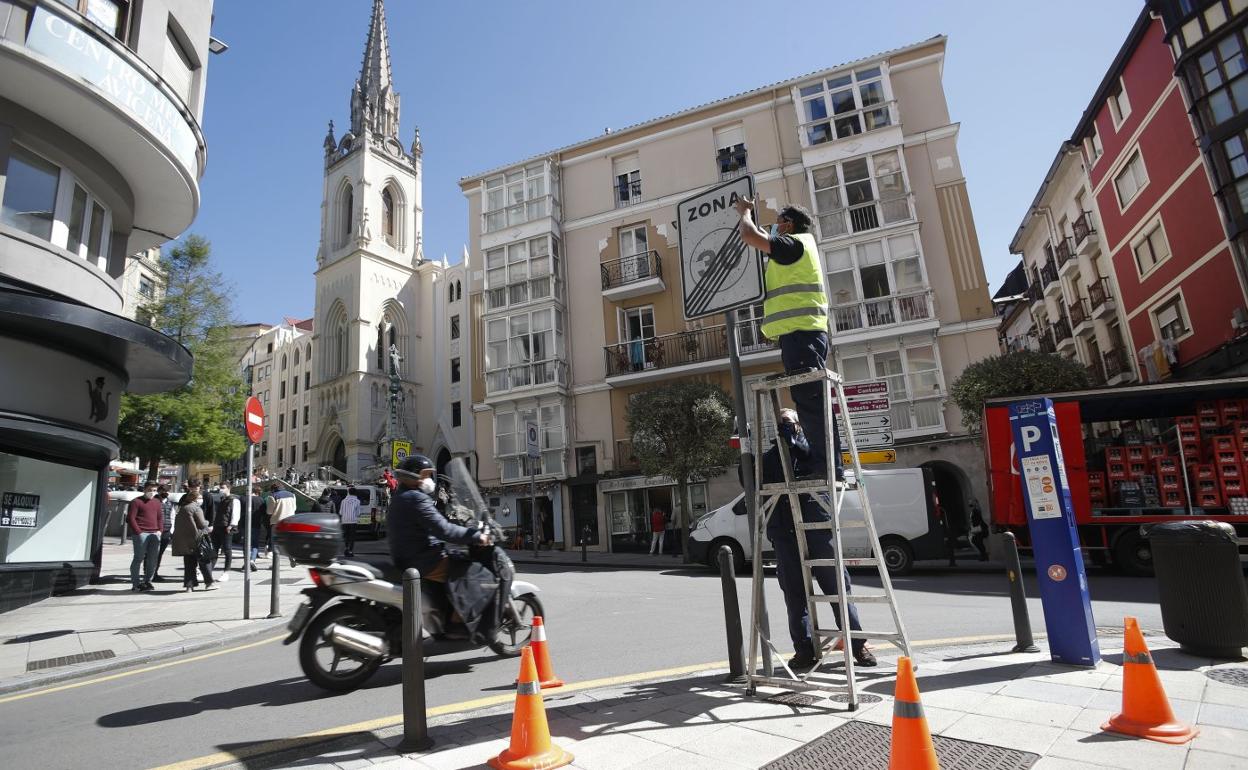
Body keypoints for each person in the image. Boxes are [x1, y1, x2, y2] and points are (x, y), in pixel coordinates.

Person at [734, 196, 838, 480]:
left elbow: (749, 235)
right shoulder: (798, 248)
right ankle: (826, 464)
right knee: (809, 401)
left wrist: (745, 213)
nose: (775, 227)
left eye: (778, 222)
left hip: (803, 333)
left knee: (811, 402)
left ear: (789, 224)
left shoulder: (794, 244)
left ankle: (827, 466)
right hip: (802, 333)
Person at [763, 409, 875, 670]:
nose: (786, 427)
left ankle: (858, 645)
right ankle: (803, 650)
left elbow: (824, 466)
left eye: (790, 422)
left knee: (838, 589)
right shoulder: (769, 459)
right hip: (785, 533)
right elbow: (750, 481)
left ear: (800, 426)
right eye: (782, 424)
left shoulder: (814, 452)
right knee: (794, 595)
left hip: (817, 529)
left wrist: (797, 444)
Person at [388, 454, 489, 583]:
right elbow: (444, 529)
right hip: (423, 561)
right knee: (470, 571)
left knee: (456, 558)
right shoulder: (416, 498)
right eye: (426, 475)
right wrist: (476, 536)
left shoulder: (400, 496)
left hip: (408, 559)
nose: (429, 480)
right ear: (413, 476)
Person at [172, 491, 214, 591]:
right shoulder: (196, 508)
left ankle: (189, 586)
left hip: (185, 540)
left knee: (189, 563)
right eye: (199, 498)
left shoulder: (182, 508)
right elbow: (203, 523)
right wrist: (208, 522)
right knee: (204, 561)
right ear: (195, 499)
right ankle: (209, 583)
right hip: (197, 538)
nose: (201, 500)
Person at [126, 482, 163, 591]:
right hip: (141, 534)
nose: (152, 492)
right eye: (150, 490)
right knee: (138, 558)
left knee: (152, 559)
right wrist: (139, 532)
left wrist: (160, 530)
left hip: (155, 534)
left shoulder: (157, 502)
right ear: (145, 489)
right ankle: (135, 583)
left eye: (155, 490)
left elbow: (160, 518)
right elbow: (131, 518)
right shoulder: (136, 502)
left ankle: (148, 581)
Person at [211, 481, 240, 581]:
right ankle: (208, 571)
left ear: (228, 488)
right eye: (220, 487)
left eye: (223, 487)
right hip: (218, 526)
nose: (221, 489)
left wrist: (231, 525)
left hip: (227, 527)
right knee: (214, 549)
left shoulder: (234, 500)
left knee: (227, 550)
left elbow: (236, 514)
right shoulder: (222, 499)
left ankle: (226, 572)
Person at [267, 482, 297, 567]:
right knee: (288, 542)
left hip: (277, 523)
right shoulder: (292, 495)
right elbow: (295, 508)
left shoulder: (272, 496)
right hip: (290, 522)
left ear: (273, 489)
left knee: (276, 544)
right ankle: (292, 558)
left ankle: (275, 565)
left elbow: (269, 511)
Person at [152, 485, 175, 582]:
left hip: (166, 531)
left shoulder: (170, 503)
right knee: (152, 553)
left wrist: (171, 530)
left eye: (167, 491)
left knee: (160, 553)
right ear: (159, 491)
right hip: (155, 531)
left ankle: (155, 572)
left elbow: (172, 516)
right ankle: (149, 573)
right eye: (164, 490)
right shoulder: (154, 501)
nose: (166, 492)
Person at [247, 490, 267, 571]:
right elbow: (264, 513)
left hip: (245, 525)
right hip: (256, 524)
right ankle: (252, 560)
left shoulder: (245, 498)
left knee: (247, 544)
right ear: (258, 493)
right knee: (255, 544)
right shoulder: (261, 500)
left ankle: (247, 561)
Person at [338, 486, 361, 557]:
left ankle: (346, 548)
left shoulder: (343, 501)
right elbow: (358, 513)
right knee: (352, 537)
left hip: (344, 521)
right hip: (353, 521)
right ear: (355, 493)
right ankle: (350, 550)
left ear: (349, 493)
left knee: (346, 536)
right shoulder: (357, 501)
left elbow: (341, 512)